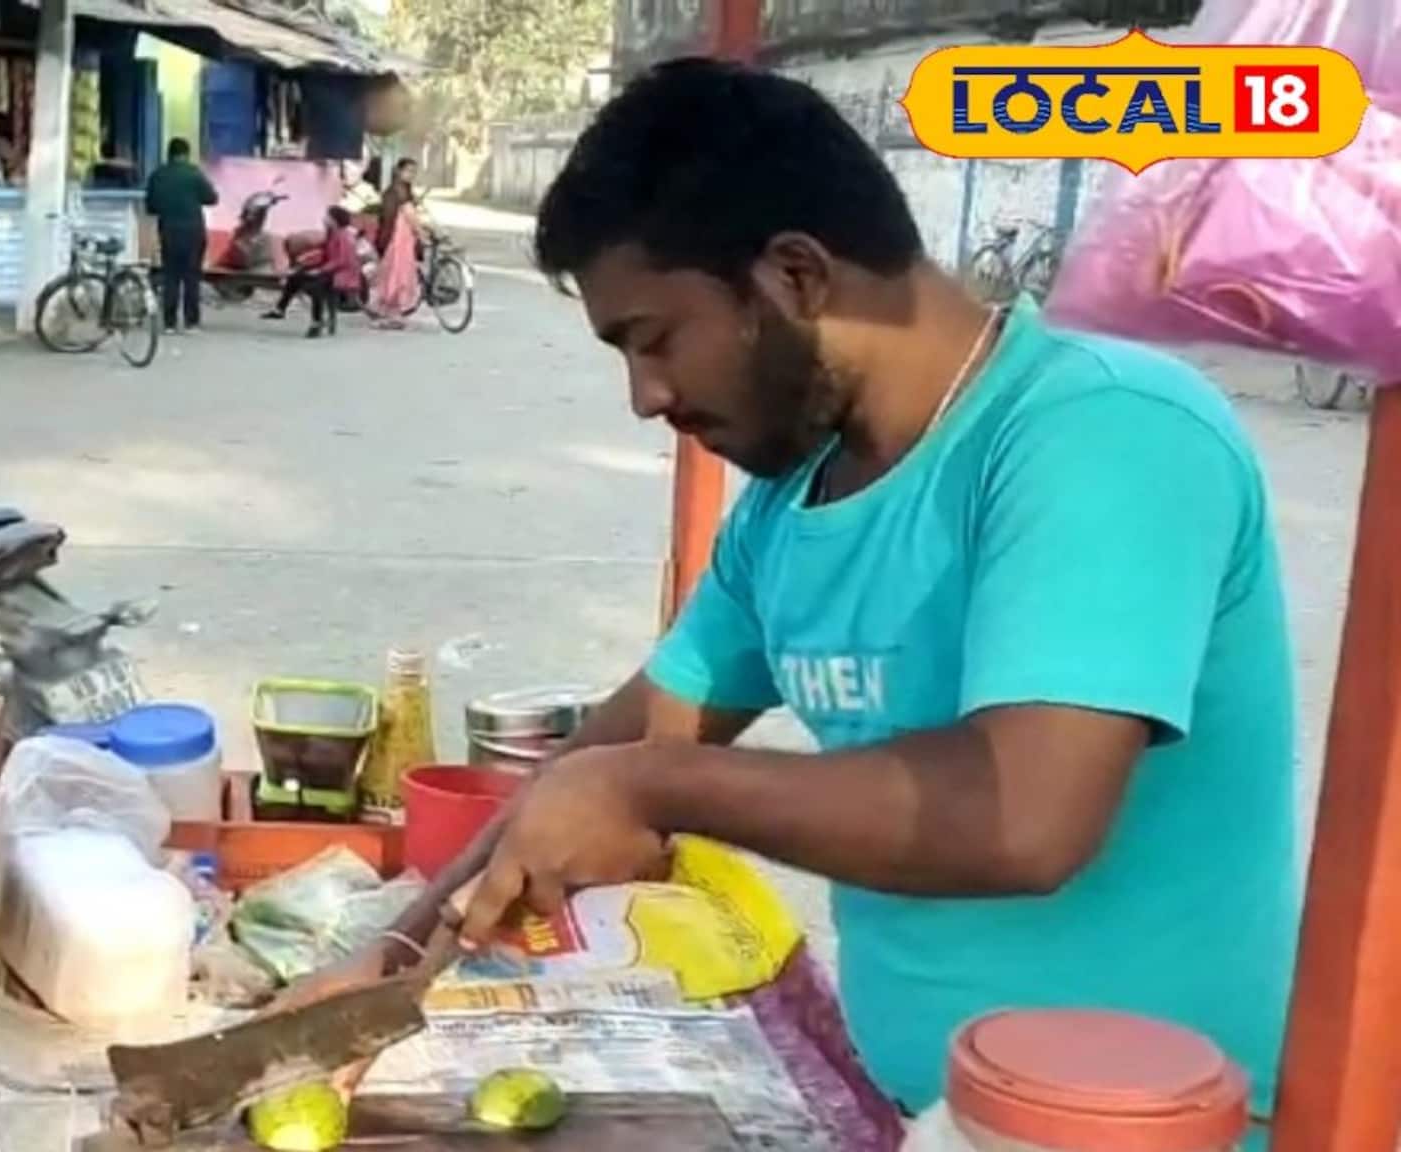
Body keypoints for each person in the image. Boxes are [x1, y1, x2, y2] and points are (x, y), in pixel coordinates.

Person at [282, 60, 1298, 1118]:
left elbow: (1022, 818)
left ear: (795, 275)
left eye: (654, 339)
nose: (645, 397)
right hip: (924, 1111)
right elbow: (616, 745)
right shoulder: (788, 509)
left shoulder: (1101, 434)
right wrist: (388, 962)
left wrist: (654, 789)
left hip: (1152, 1133)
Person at [144, 137, 218, 333]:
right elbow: (212, 198)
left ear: (169, 154)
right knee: (192, 276)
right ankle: (191, 322)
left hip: (169, 230)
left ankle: (169, 323)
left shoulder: (157, 175)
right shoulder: (194, 174)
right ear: (186, 154)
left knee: (171, 277)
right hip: (193, 231)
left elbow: (150, 207)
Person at [263, 207, 361, 338]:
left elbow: (342, 261)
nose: (324, 219)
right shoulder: (332, 234)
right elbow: (324, 254)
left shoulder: (344, 236)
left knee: (316, 287)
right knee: (295, 277)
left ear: (334, 220)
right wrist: (305, 263)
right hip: (330, 270)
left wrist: (319, 270)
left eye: (327, 216)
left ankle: (317, 322)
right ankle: (280, 309)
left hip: (342, 275)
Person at [366, 161, 421, 329]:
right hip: (397, 237)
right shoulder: (400, 190)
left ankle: (387, 312)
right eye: (408, 171)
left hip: (396, 236)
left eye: (414, 171)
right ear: (398, 171)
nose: (411, 174)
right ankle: (392, 313)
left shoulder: (396, 189)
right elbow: (409, 214)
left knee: (392, 272)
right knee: (398, 273)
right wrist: (421, 231)